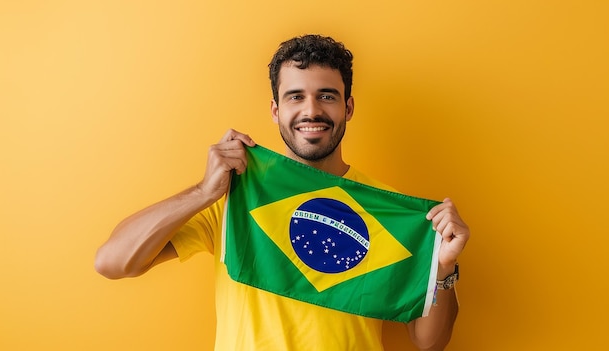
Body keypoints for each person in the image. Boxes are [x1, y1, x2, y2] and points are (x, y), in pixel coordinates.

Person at [95, 34, 470, 351]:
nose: (311, 110)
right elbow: (112, 262)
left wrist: (443, 266)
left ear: (348, 107)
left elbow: (428, 343)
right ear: (275, 110)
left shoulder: (391, 213)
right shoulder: (233, 196)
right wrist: (202, 192)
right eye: (295, 97)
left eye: (327, 96)